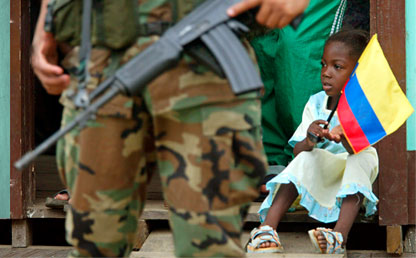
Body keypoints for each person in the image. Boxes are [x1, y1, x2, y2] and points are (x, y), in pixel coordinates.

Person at [31, 0, 309, 257]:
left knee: (211, 244)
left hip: (209, 63)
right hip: (101, 61)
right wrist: (47, 21)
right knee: (94, 242)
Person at [246, 30, 379, 254]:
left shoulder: (365, 106)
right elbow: (298, 152)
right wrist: (310, 138)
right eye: (323, 64)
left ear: (356, 72)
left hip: (353, 181)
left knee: (363, 156)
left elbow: (357, 150)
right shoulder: (316, 103)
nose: (326, 73)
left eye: (337, 67)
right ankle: (266, 228)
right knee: (306, 156)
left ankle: (339, 237)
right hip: (324, 176)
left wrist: (345, 137)